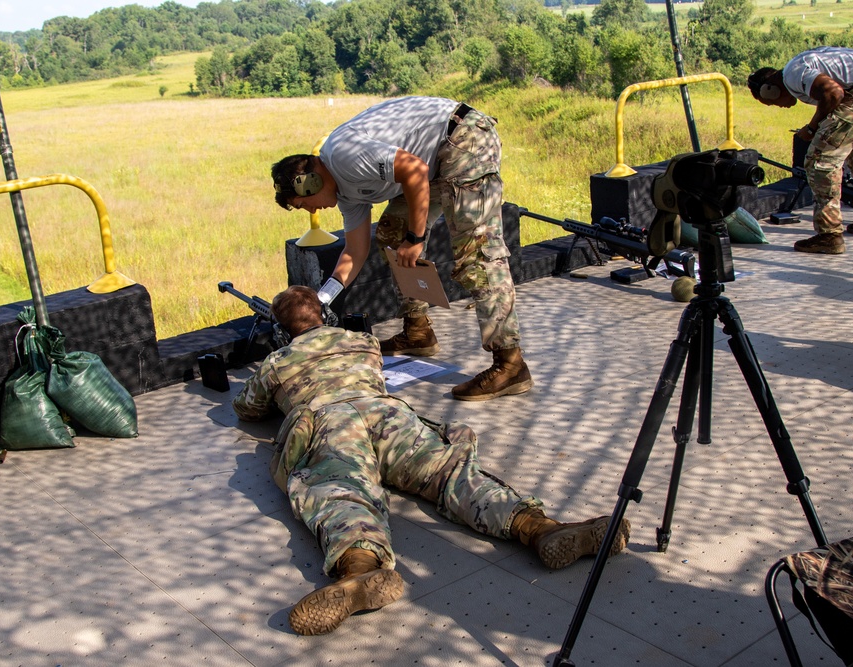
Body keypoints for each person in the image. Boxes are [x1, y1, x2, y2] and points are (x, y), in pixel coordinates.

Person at [233, 285, 631, 636]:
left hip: (329, 421)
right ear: (325, 316)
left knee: (342, 490)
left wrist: (276, 362)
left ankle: (359, 570)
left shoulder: (276, 361)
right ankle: (540, 527)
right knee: (449, 473)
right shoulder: (362, 342)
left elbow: (248, 408)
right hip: (387, 415)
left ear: (283, 331)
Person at [270, 96, 531, 401]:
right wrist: (322, 297)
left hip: (463, 138)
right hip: (436, 158)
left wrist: (416, 238)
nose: (308, 210)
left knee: (477, 251)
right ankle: (418, 331)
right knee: (393, 237)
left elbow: (414, 170)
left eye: (303, 204)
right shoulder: (347, 195)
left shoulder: (343, 157)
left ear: (310, 183)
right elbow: (355, 251)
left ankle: (510, 363)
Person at [748, 47, 853, 255]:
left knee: (820, 161)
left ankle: (829, 236)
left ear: (770, 90)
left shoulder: (793, 74)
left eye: (767, 102)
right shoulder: (798, 67)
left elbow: (833, 93)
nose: (774, 106)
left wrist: (813, 128)